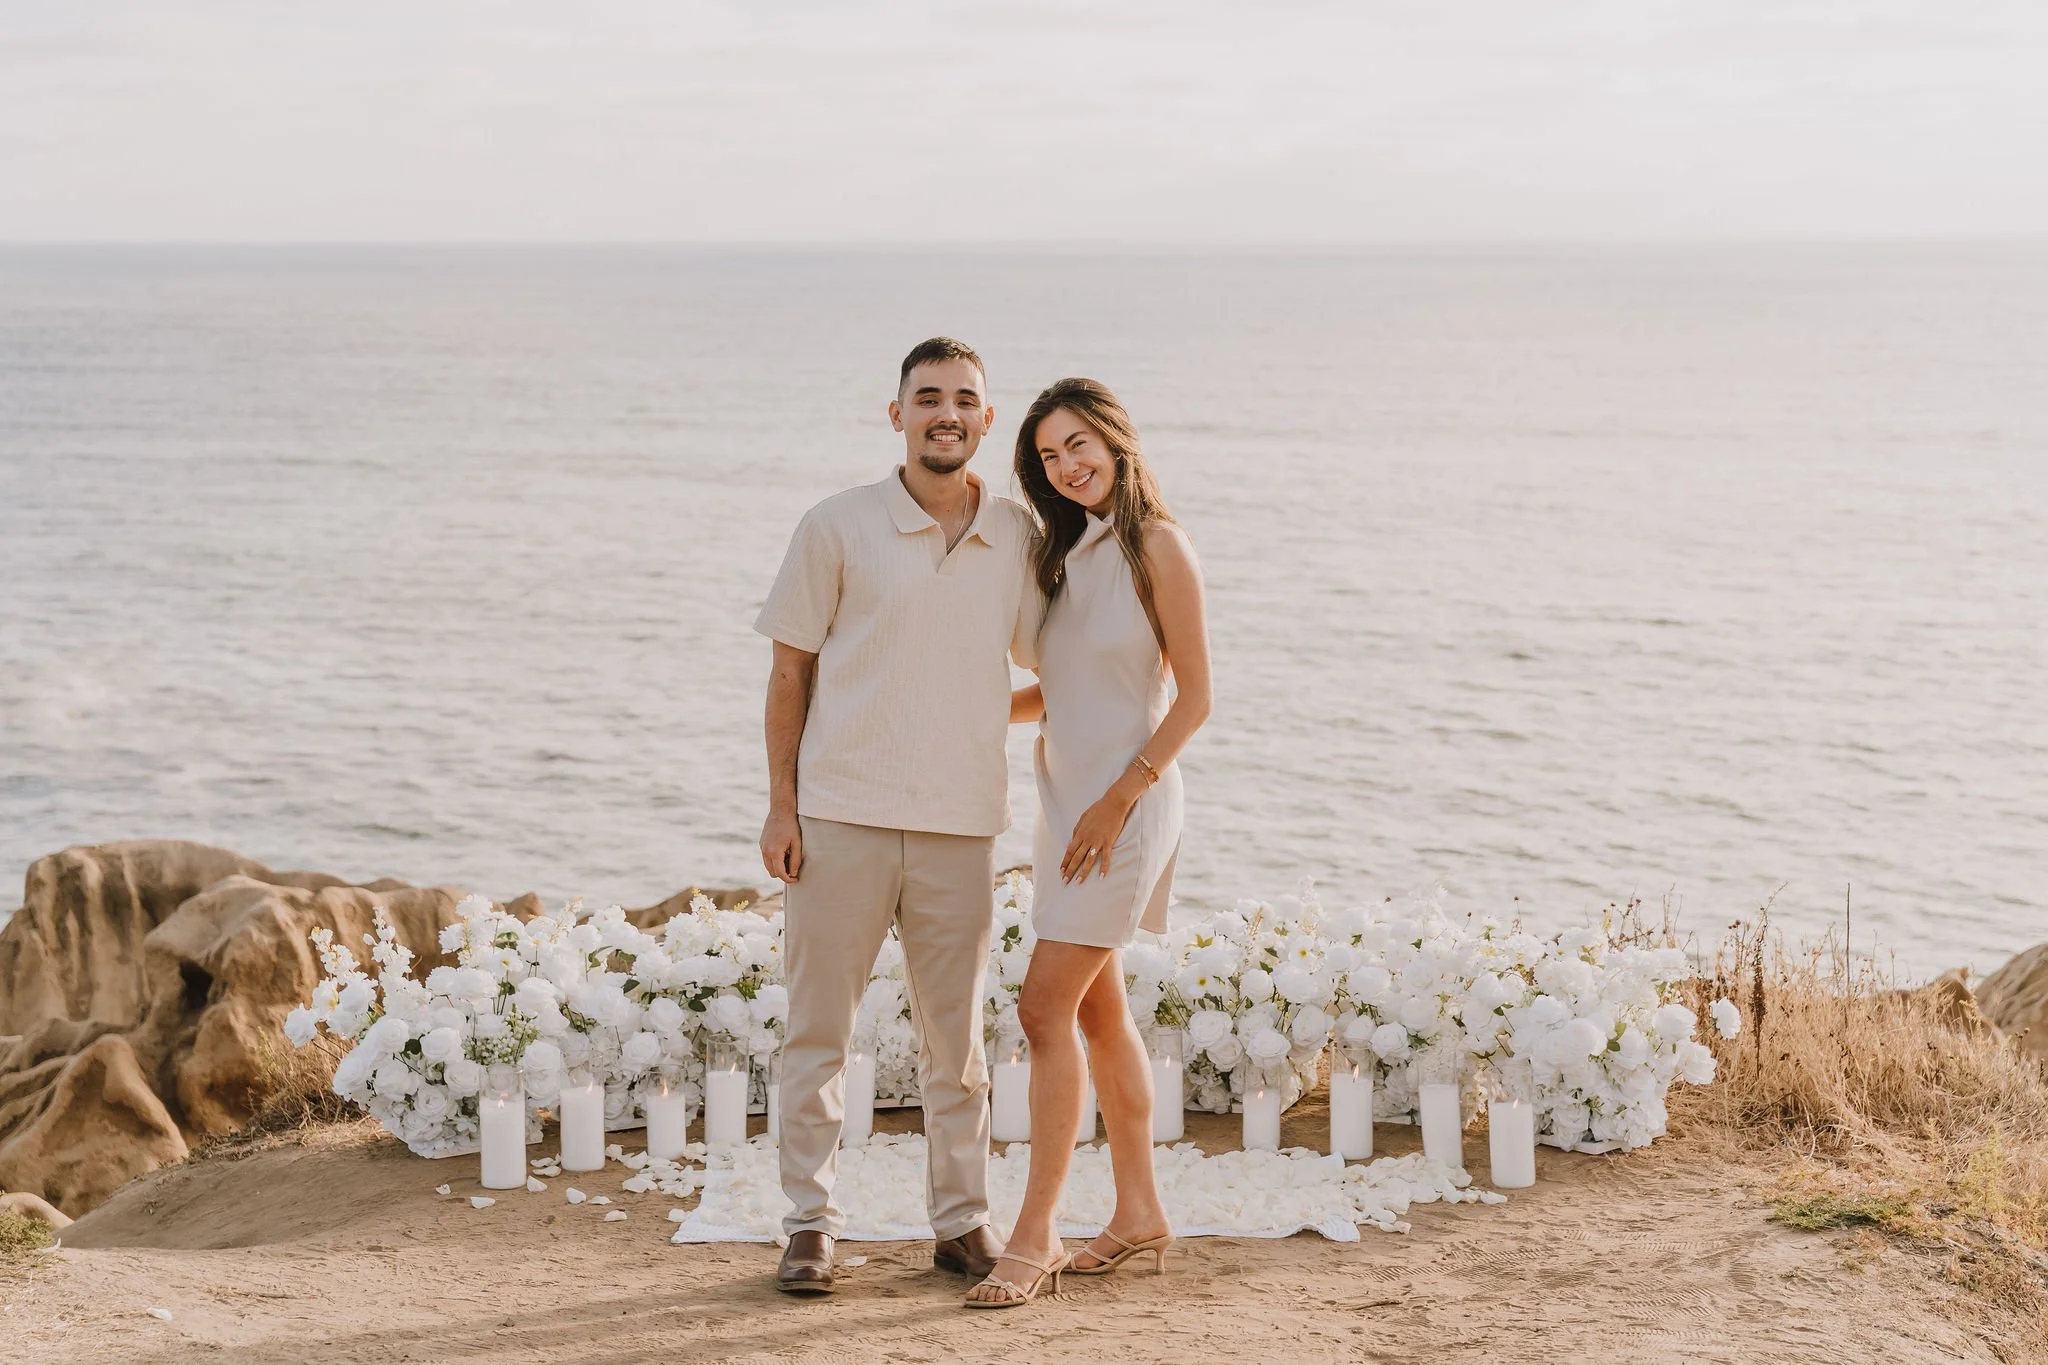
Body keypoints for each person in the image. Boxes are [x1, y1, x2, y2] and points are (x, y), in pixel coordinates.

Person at [754, 337, 1042, 1296]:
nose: (946, 413)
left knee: (955, 1045)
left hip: (964, 827)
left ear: (987, 420)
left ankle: (962, 1223)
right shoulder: (836, 525)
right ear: (898, 415)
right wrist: (781, 807)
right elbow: (789, 673)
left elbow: (1059, 669)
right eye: (928, 398)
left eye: (965, 399)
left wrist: (975, 712)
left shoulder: (1016, 537)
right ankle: (809, 1226)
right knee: (818, 1034)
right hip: (839, 818)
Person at [964, 377, 1212, 1309]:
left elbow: (1195, 698)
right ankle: (1140, 1209)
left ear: (1115, 436)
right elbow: (1056, 696)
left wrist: (1118, 800)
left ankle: (1036, 1233)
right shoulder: (1068, 557)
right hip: (1066, 807)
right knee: (1101, 1016)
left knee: (1042, 1010)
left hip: (1127, 807)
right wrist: (965, 713)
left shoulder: (1158, 545)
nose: (1066, 467)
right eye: (1047, 457)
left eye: (1078, 445)